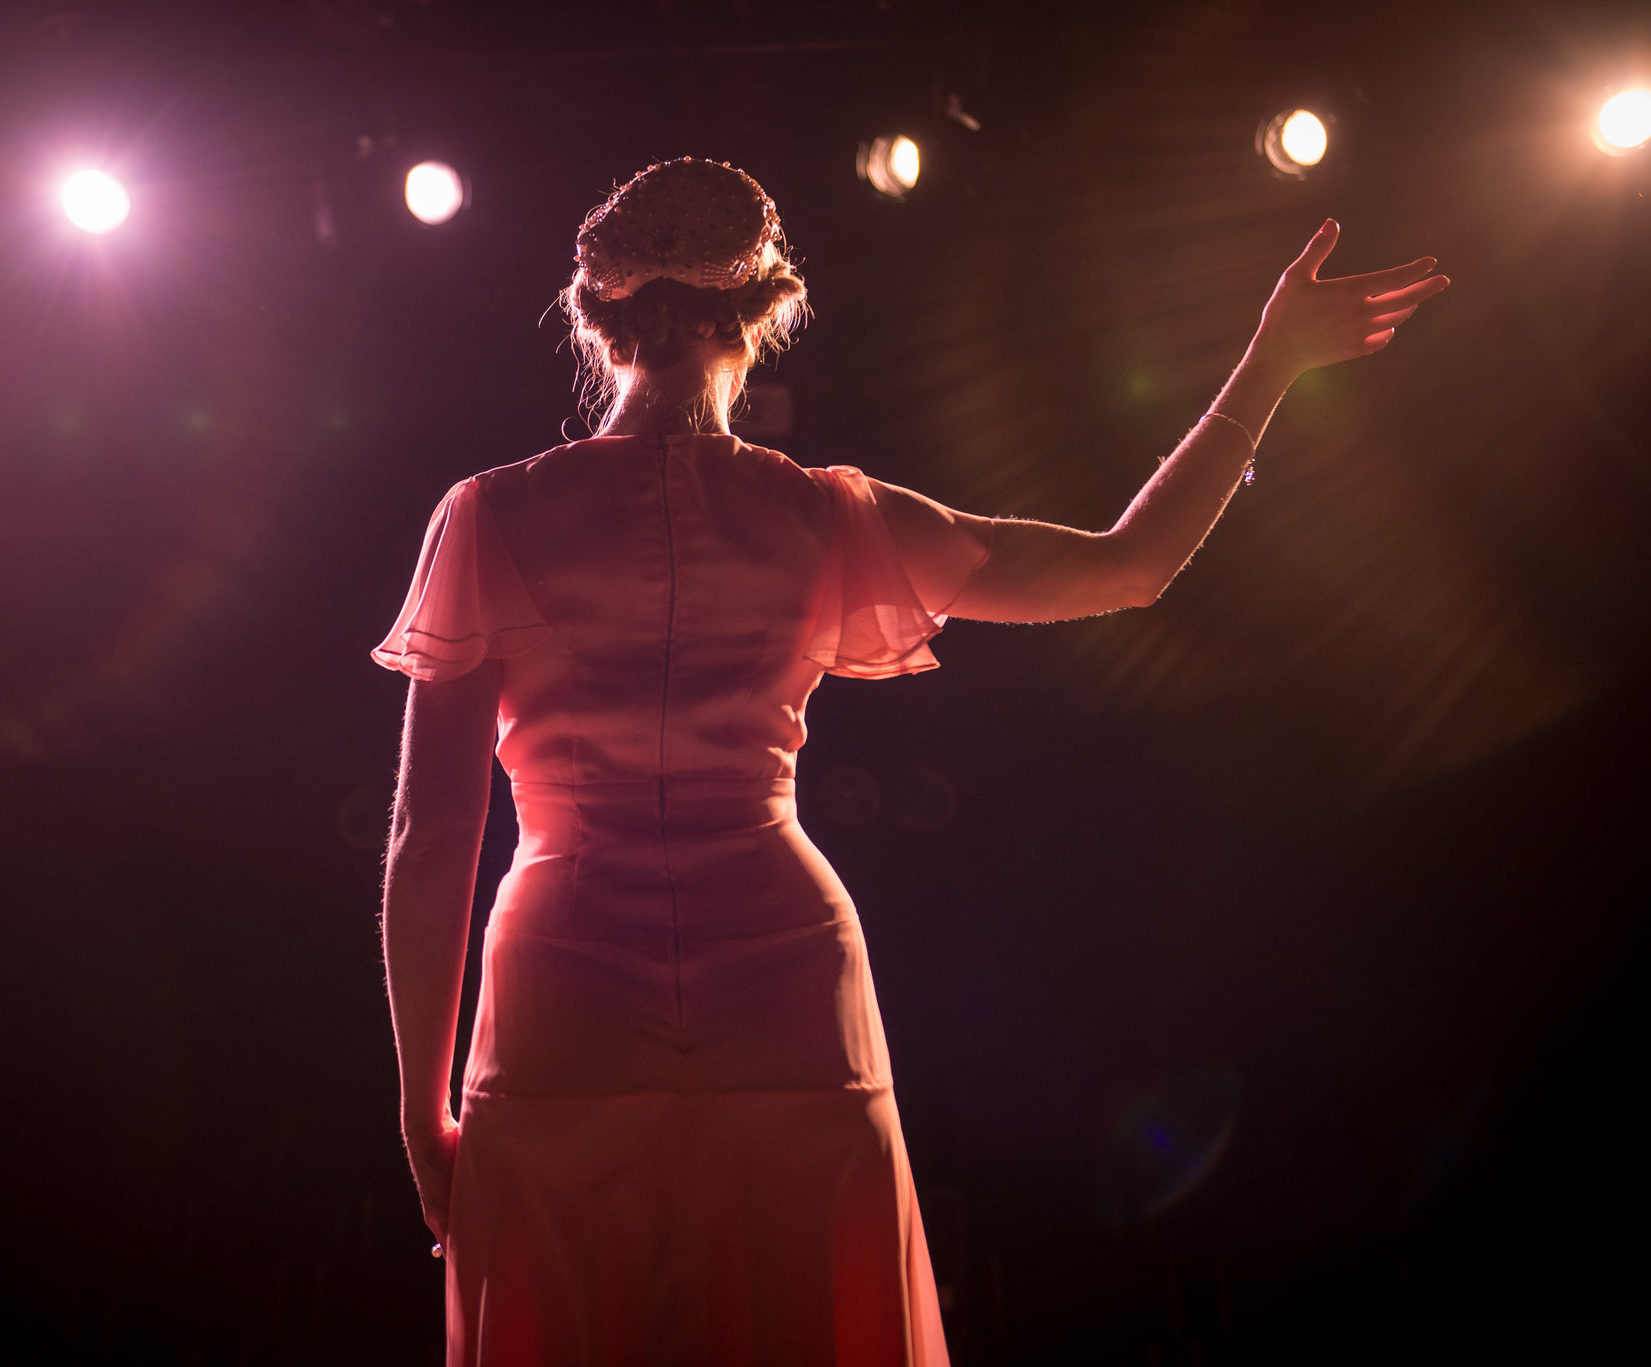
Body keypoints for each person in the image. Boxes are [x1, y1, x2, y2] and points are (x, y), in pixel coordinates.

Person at [374, 158, 1447, 1366]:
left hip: (560, 980)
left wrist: (422, 1117)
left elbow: (429, 837)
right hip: (781, 970)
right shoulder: (826, 516)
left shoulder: (488, 515)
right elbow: (1126, 564)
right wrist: (1270, 366)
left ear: (595, 317)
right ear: (763, 316)